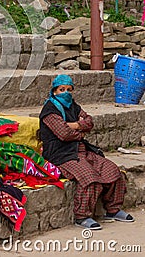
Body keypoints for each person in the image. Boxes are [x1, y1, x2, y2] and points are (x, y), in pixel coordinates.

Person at [39, 74, 134, 230]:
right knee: (90, 178)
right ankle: (82, 216)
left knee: (113, 171)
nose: (66, 93)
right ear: (54, 91)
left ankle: (113, 210)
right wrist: (80, 130)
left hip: (81, 151)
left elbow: (89, 121)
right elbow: (64, 133)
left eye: (69, 89)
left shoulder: (73, 105)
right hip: (62, 155)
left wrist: (74, 125)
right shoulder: (49, 110)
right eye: (61, 89)